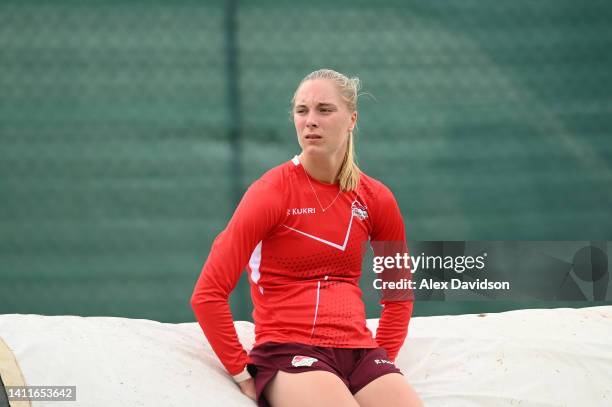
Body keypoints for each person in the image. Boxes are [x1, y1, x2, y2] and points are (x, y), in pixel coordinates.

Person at [191, 69, 422, 407]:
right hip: (289, 351)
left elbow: (398, 294)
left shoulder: (376, 198)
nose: (310, 121)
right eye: (302, 111)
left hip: (359, 352)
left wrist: (381, 358)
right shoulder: (270, 193)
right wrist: (241, 372)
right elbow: (207, 295)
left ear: (352, 119)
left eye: (324, 110)